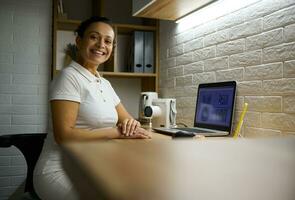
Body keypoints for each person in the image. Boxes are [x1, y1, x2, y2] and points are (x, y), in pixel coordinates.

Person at [33, 16, 152, 200]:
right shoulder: (69, 77)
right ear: (79, 41)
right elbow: (64, 136)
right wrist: (117, 133)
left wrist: (130, 124)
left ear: (112, 49)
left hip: (93, 166)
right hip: (60, 170)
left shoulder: (104, 83)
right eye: (94, 37)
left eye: (108, 41)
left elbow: (128, 120)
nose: (101, 45)